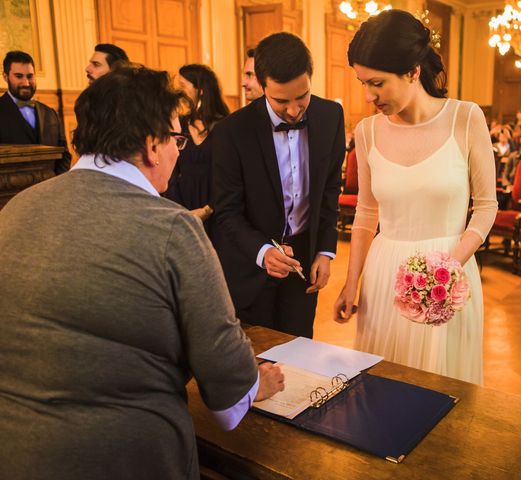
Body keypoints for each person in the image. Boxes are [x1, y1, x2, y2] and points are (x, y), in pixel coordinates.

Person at [0, 64, 284, 480]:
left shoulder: (16, 208)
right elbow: (227, 395)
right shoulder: (172, 227)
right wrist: (257, 383)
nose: (177, 152)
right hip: (129, 459)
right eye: (177, 139)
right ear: (153, 145)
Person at [332, 10, 497, 384]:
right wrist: (351, 281)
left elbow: (486, 208)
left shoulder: (466, 118)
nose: (368, 95)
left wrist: (447, 268)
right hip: (384, 276)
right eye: (362, 83)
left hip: (449, 275)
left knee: (442, 389)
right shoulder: (368, 131)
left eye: (377, 83)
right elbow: (365, 213)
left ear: (412, 72)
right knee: (383, 386)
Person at [211, 32, 345, 338]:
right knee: (257, 358)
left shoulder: (330, 117)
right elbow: (226, 211)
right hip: (250, 264)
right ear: (262, 85)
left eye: (303, 97)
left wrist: (325, 250)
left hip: (302, 266)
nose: (295, 110)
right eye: (281, 101)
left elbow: (329, 192)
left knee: (299, 354)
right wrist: (262, 251)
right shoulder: (232, 131)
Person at [164, 64, 229, 242]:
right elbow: (172, 169)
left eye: (183, 85)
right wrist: (179, 210)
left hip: (217, 206)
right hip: (183, 205)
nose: (178, 90)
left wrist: (207, 210)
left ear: (200, 90)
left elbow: (230, 174)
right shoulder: (180, 124)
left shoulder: (225, 126)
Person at [0, 51, 70, 174]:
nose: (26, 83)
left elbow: (64, 154)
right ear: (5, 77)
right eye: (19, 76)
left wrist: (55, 182)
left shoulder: (50, 113)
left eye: (30, 76)